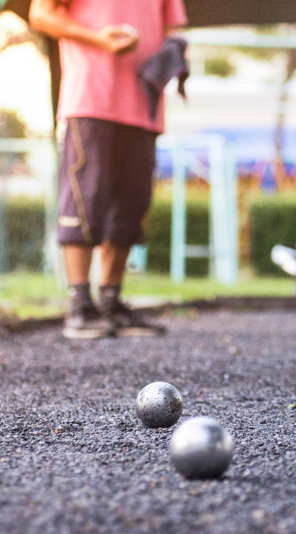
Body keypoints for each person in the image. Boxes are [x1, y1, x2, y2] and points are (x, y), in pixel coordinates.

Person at [29, 0, 188, 339]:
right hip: (91, 100)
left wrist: (174, 51)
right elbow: (41, 14)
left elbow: (173, 28)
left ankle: (111, 302)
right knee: (84, 200)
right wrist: (100, 40)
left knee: (131, 206)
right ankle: (80, 305)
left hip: (145, 103)